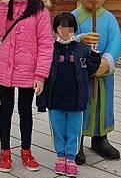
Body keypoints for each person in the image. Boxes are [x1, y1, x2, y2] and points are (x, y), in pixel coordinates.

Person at [0, 0, 53, 173]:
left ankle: (26, 150)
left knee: (25, 111)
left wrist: (41, 75)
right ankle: (5, 151)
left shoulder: (40, 10)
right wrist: (2, 4)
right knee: (5, 109)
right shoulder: (6, 5)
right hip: (5, 67)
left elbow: (46, 43)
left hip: (28, 69)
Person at [66, 0, 121, 164]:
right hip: (79, 77)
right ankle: (77, 140)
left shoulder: (109, 19)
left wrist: (107, 61)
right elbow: (64, 40)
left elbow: (116, 42)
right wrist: (79, 41)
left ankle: (101, 138)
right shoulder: (72, 17)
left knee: (102, 106)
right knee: (79, 106)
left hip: (103, 76)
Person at [36, 12, 102, 177]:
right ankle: (60, 156)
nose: (65, 31)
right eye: (61, 27)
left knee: (74, 129)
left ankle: (71, 158)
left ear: (75, 29)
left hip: (75, 100)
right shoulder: (49, 50)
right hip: (55, 99)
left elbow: (91, 70)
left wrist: (94, 55)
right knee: (58, 129)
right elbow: (42, 72)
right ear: (55, 29)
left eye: (69, 28)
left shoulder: (81, 50)